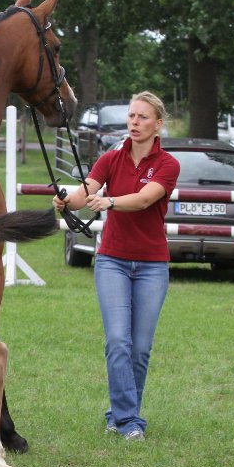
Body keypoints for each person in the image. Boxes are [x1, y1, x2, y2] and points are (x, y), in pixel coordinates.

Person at [54, 91, 179, 440]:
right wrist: (67, 199)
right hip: (112, 262)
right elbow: (85, 191)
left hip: (153, 265)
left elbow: (144, 199)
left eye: (142, 117)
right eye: (131, 116)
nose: (135, 122)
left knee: (140, 348)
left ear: (158, 124)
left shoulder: (168, 165)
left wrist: (108, 201)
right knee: (118, 342)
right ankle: (128, 421)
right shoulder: (110, 159)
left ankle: (121, 415)